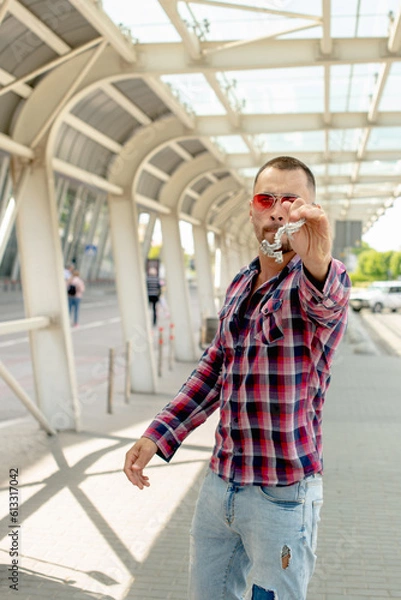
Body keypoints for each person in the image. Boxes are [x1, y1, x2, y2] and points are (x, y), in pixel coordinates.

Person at [124, 156, 351, 600]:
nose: (279, 210)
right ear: (251, 209)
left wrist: (319, 256)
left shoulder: (317, 280)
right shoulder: (240, 284)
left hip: (281, 496)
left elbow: (328, 300)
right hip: (219, 485)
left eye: (292, 199)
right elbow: (213, 369)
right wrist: (158, 433)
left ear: (310, 208)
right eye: (267, 198)